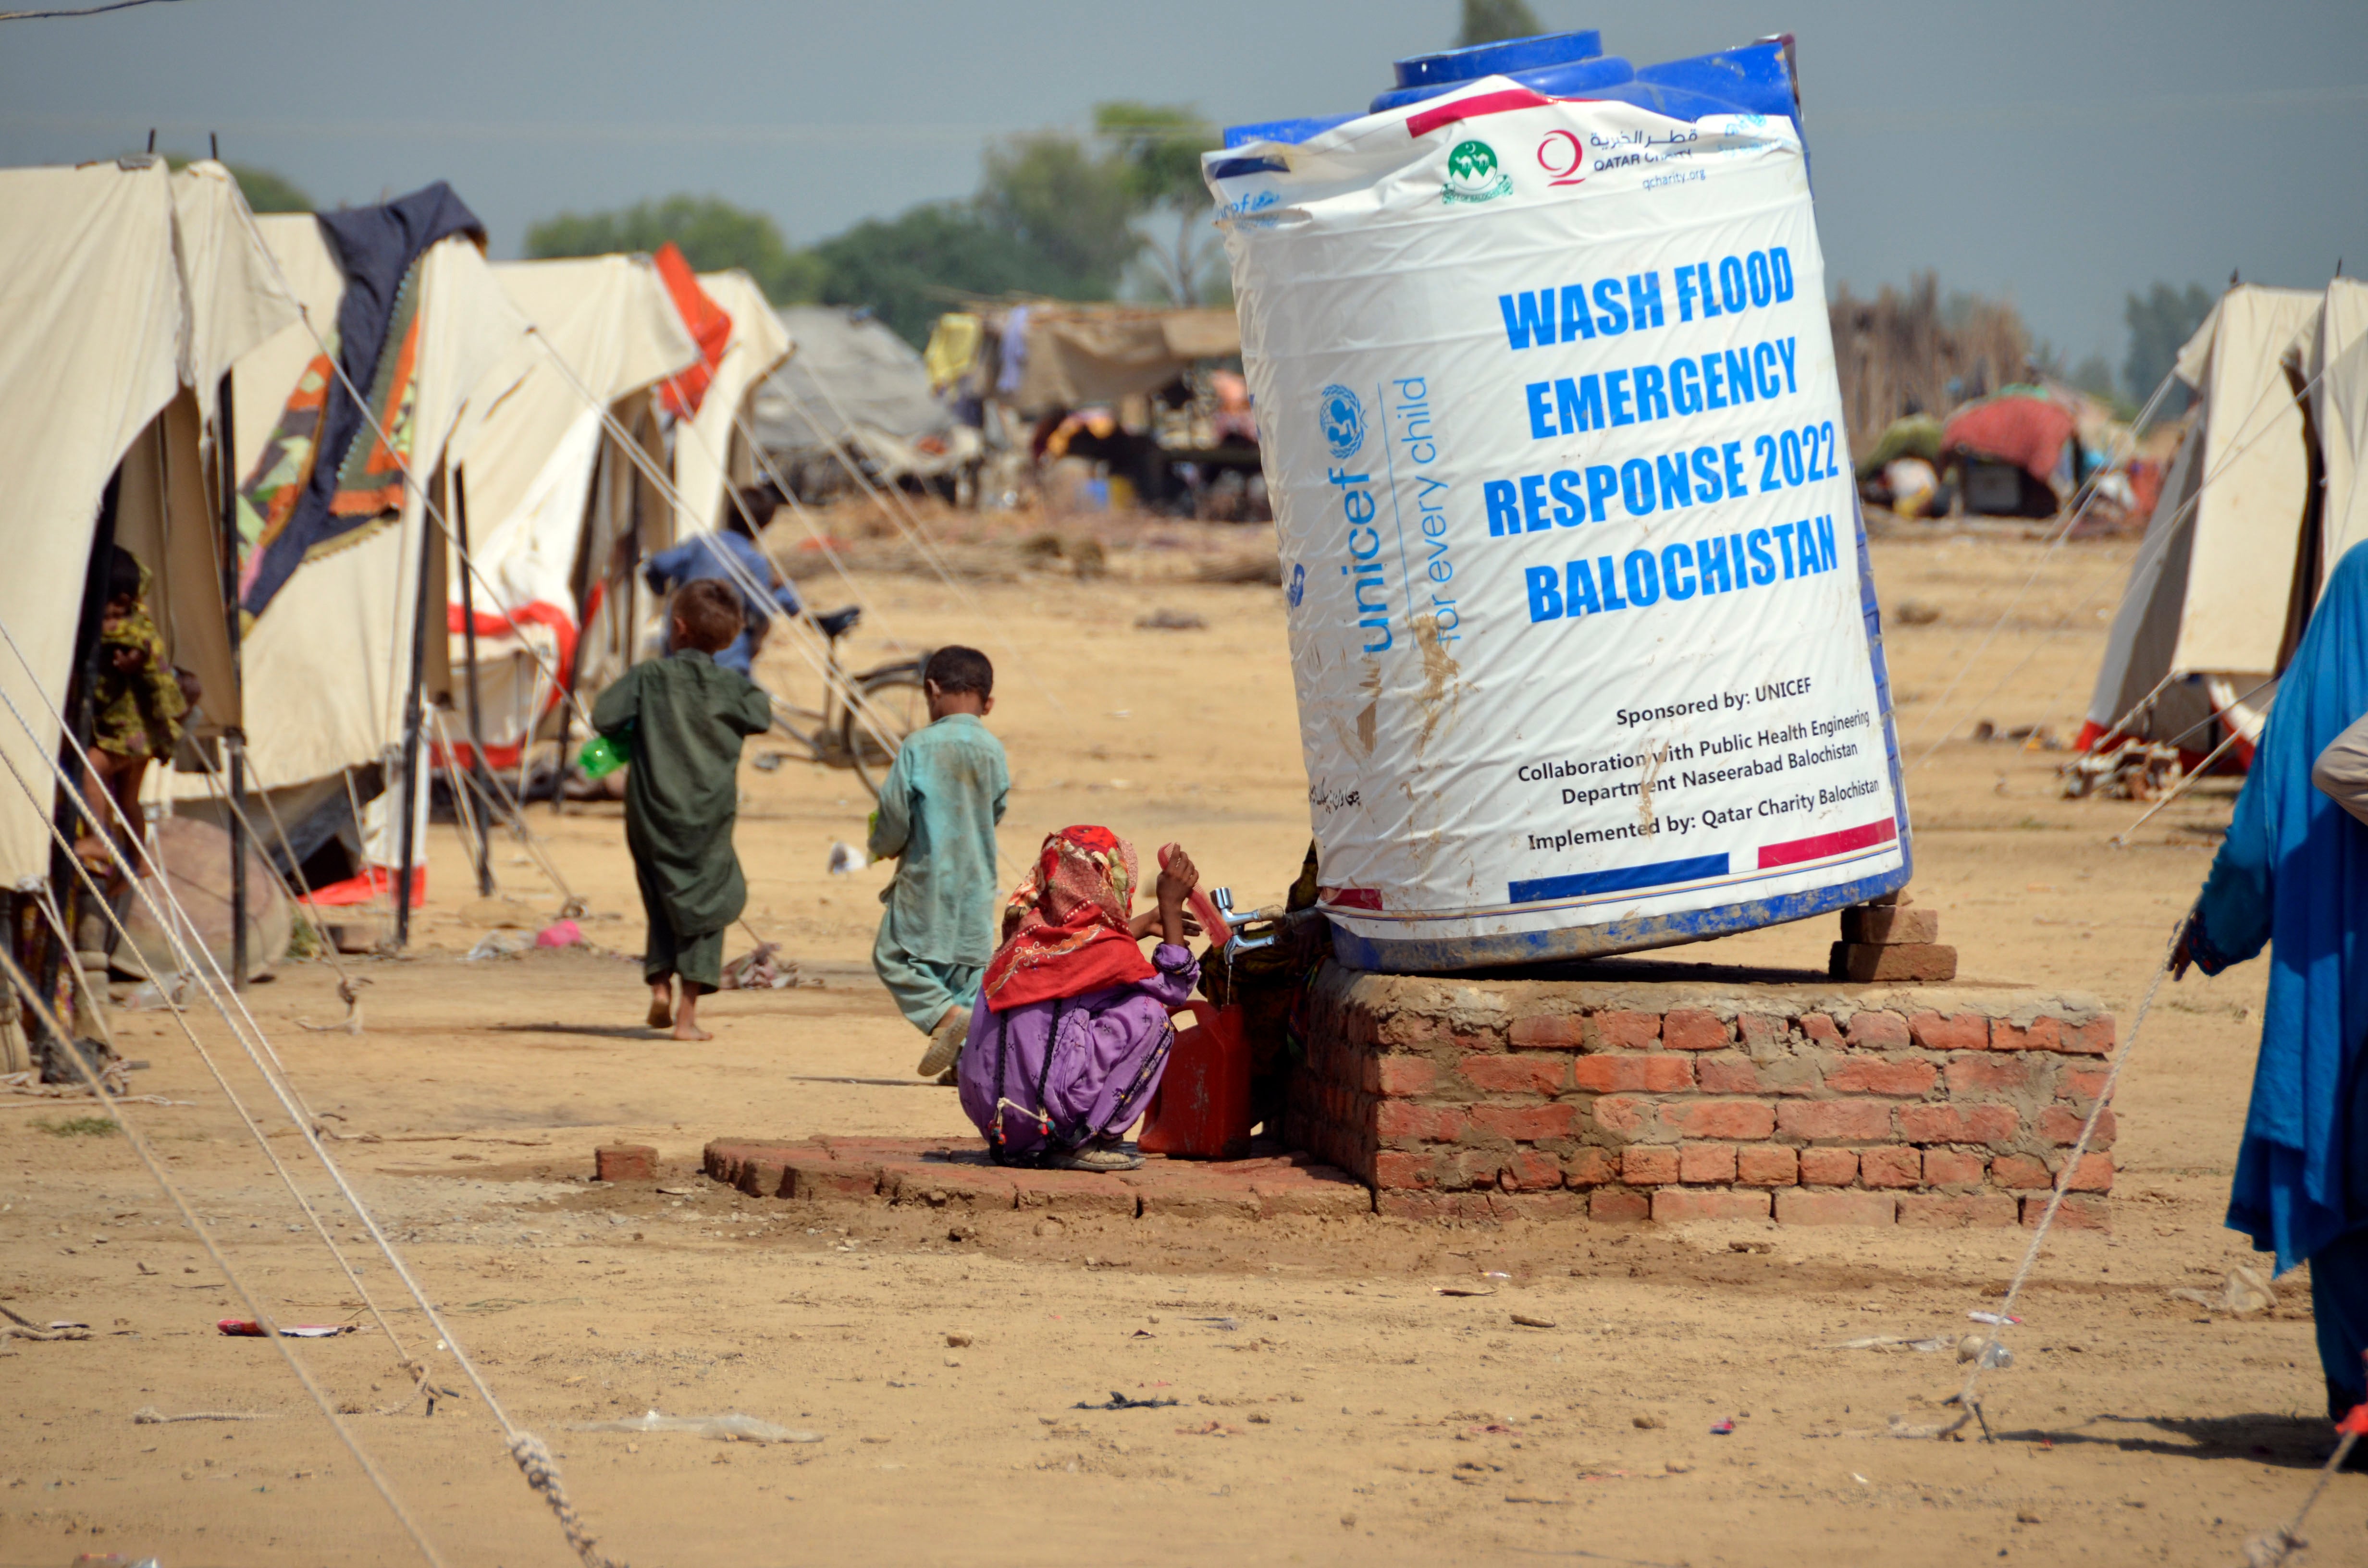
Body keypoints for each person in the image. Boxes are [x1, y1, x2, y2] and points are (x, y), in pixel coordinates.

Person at [2174, 540, 2368, 1428]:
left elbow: (2255, 847)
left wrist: (2212, 931)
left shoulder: (2318, 686)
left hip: (2336, 984)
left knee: (2344, 1164)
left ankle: (2355, 1394)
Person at [591, 578, 772, 1041]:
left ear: (676, 628)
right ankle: (687, 1020)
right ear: (729, 639)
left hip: (651, 817)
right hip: (708, 820)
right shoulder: (733, 688)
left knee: (661, 899)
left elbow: (604, 715)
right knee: (709, 905)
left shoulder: (649, 678)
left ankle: (658, 989)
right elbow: (761, 715)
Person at [957, 828, 1198, 1172]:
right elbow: (1175, 988)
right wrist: (1171, 908)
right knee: (1149, 1014)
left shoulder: (1025, 939)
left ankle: (1049, 1136)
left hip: (997, 1123)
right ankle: (1080, 1141)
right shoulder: (1103, 953)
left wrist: (1140, 925)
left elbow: (1079, 952)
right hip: (1044, 1120)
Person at [867, 646, 1008, 1078]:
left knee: (894, 956)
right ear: (987, 703)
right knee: (965, 973)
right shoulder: (992, 749)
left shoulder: (918, 746)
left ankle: (946, 1021)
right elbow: (997, 806)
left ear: (932, 691)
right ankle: (969, 1064)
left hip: (926, 879)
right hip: (977, 881)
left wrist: (883, 844)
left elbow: (894, 812)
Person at [75, 549, 189, 884]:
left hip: (125, 732)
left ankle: (100, 837)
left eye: (107, 611)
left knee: (88, 771)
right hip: (143, 734)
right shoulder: (139, 616)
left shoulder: (128, 632)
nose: (104, 621)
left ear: (123, 602)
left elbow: (140, 655)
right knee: (129, 798)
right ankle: (139, 861)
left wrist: (133, 662)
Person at [640, 486, 802, 681]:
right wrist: (782, 588)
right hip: (727, 661)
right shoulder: (754, 562)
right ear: (765, 524)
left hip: (680, 653)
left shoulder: (700, 545)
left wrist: (662, 595)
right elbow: (768, 609)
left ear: (728, 513)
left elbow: (657, 565)